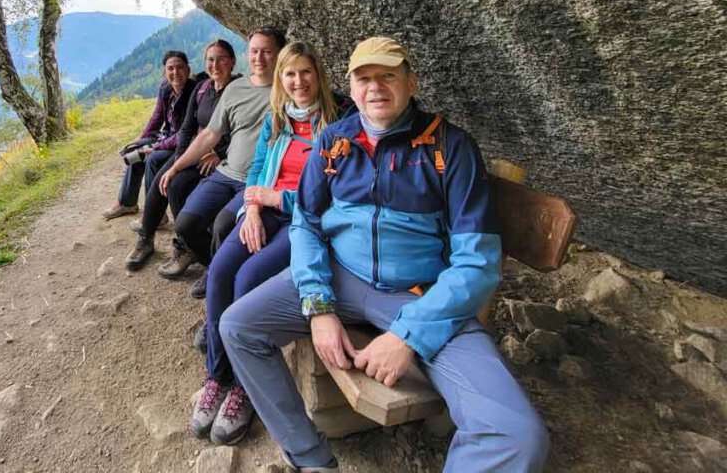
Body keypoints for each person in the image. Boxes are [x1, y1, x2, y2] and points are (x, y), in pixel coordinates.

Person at [220, 37, 549, 472]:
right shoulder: (333, 142)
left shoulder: (450, 147)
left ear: (411, 83)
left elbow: (478, 261)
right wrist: (317, 306)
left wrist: (406, 337)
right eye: (364, 78)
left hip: (422, 295)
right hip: (339, 277)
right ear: (351, 90)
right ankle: (311, 459)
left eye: (387, 76)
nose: (375, 87)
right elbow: (307, 224)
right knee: (238, 327)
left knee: (517, 434)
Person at [190, 43, 342, 444]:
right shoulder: (278, 121)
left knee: (249, 279)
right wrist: (253, 207)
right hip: (265, 210)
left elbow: (335, 195)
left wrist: (280, 200)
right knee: (221, 271)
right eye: (290, 74)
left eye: (306, 73)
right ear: (282, 80)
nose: (298, 82)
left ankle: (244, 387)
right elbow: (257, 171)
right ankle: (217, 376)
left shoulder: (337, 128)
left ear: (318, 76)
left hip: (304, 223)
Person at [156, 26, 286, 279]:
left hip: (257, 179)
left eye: (267, 52)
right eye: (254, 51)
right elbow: (209, 134)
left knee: (222, 225)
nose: (259, 58)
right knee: (185, 225)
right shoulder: (236, 89)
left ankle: (217, 277)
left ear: (279, 54)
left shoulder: (289, 89)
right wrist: (175, 167)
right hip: (225, 174)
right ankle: (215, 269)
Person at [125, 40, 241, 270]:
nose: (215, 64)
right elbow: (187, 128)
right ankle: (146, 239)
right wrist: (178, 159)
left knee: (177, 186)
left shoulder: (238, 89)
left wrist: (218, 153)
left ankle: (184, 247)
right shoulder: (202, 89)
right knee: (163, 179)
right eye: (210, 59)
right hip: (195, 149)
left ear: (233, 62)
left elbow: (244, 130)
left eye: (221, 59)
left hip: (219, 157)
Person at [102, 50, 194, 219]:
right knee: (136, 154)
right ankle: (127, 203)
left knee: (153, 158)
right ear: (164, 71)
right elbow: (157, 117)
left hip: (185, 144)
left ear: (188, 70)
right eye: (170, 68)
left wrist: (156, 146)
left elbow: (185, 133)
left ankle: (155, 215)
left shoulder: (194, 92)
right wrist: (142, 141)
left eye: (180, 67)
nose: (175, 73)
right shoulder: (165, 88)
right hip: (168, 137)